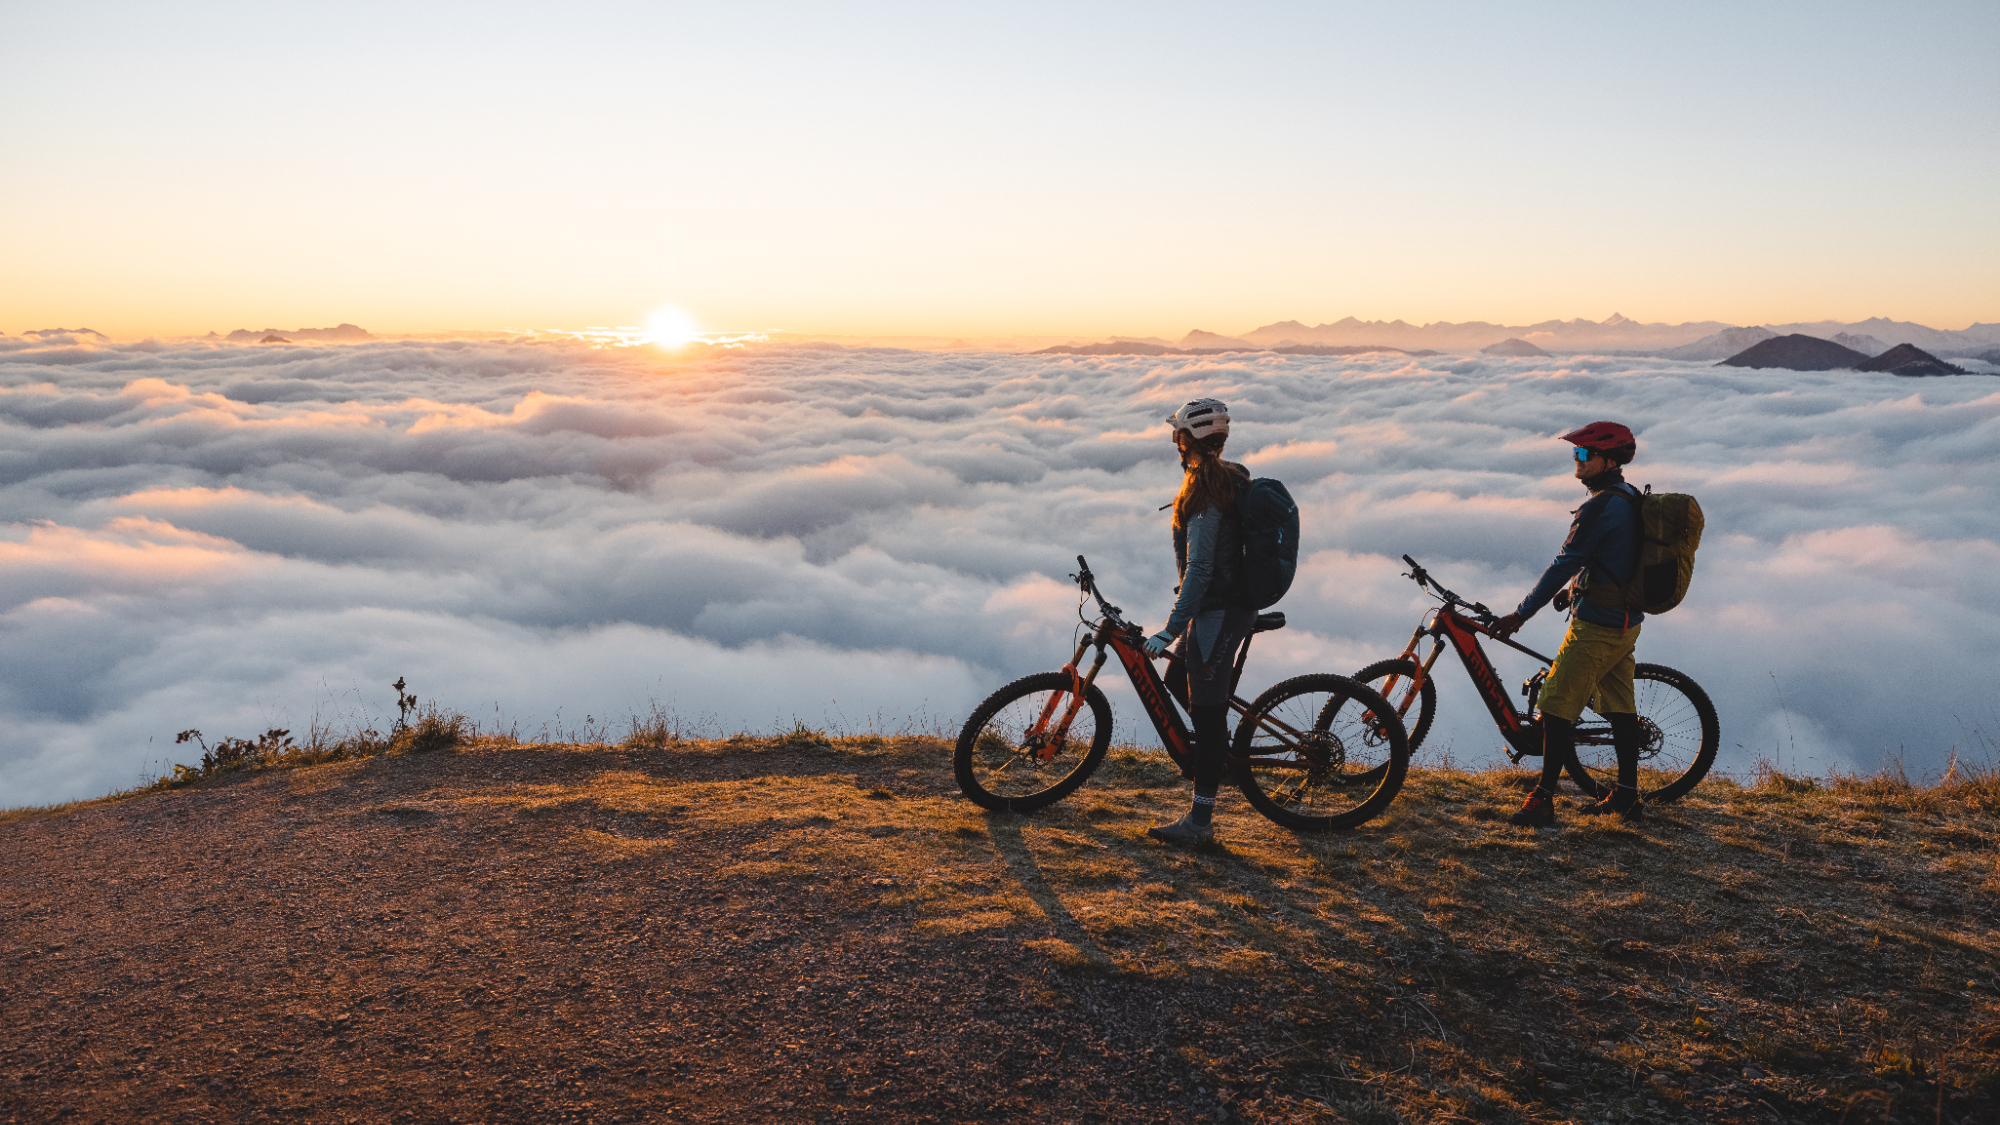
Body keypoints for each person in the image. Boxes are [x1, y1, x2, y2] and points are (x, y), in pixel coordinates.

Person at [1492, 420, 1648, 826]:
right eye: (1575, 453)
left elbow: (1564, 563)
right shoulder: (1627, 496)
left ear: (1608, 460)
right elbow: (1611, 556)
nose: (1576, 461)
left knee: (1556, 707)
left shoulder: (1599, 506)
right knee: (1620, 707)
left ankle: (1543, 799)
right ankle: (1627, 797)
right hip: (1626, 620)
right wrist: (1576, 588)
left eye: (1583, 454)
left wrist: (1520, 613)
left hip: (1597, 626)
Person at [1144, 399, 1256, 846]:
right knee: (1178, 684)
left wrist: (1171, 627)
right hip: (1213, 610)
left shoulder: (1208, 494)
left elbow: (1201, 569)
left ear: (1187, 440)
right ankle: (1214, 760)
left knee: (1209, 720)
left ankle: (1201, 822)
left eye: (1178, 435)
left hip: (1218, 613)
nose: (1175, 441)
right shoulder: (1222, 478)